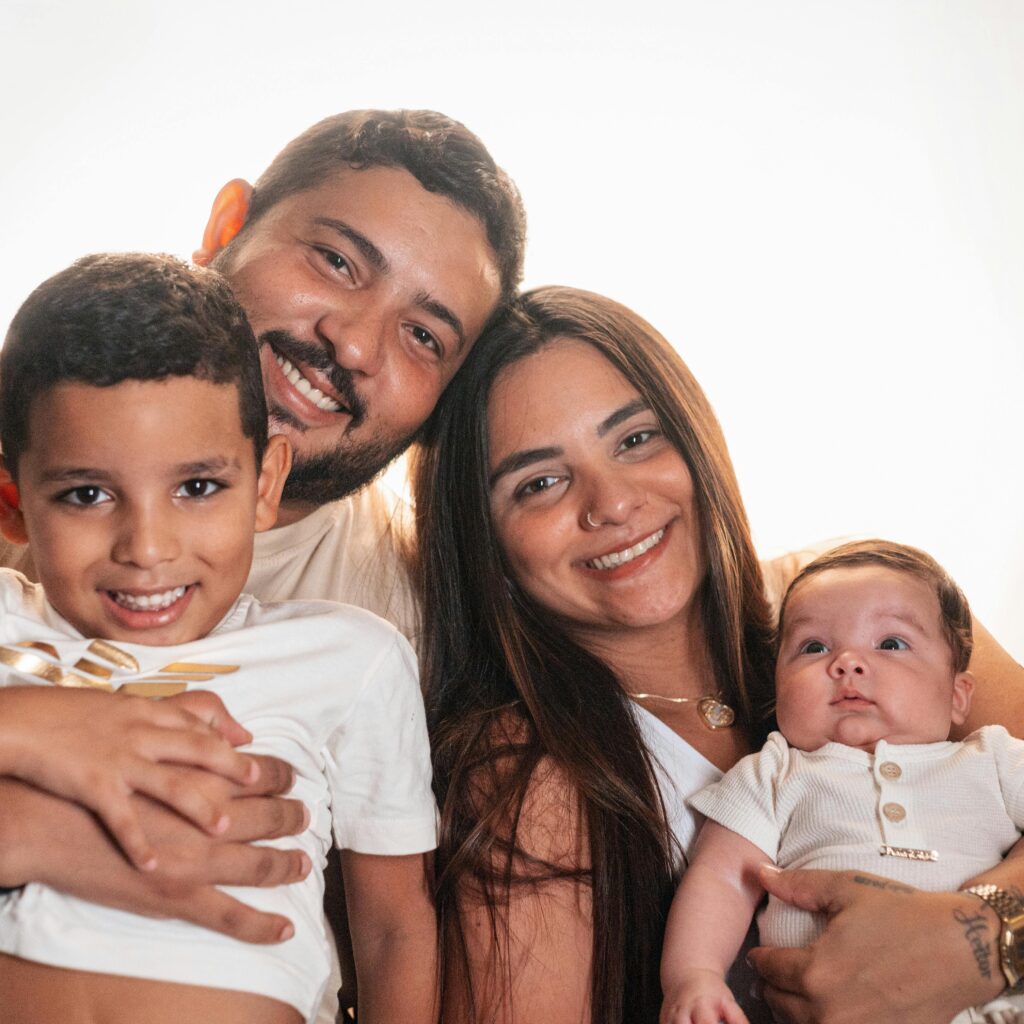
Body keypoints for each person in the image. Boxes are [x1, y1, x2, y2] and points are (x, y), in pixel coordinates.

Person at [412, 287, 1024, 1024]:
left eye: (636, 439)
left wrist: (982, 938)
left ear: (695, 440)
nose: (610, 503)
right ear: (489, 549)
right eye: (539, 483)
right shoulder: (525, 774)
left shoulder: (872, 607)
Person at [0, 108, 527, 949]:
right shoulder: (32, 434)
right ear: (226, 226)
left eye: (423, 335)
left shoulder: (418, 631)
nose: (353, 344)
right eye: (335, 260)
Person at [0, 253, 438, 1024]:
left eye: (198, 488)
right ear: (14, 498)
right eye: (86, 494)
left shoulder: (348, 659)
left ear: (265, 484)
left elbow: (395, 927)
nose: (146, 546)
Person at [660, 540, 1024, 1024]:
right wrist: (694, 975)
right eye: (814, 647)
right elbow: (723, 876)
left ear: (958, 695)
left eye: (891, 644)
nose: (847, 663)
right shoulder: (773, 773)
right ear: (778, 689)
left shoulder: (993, 758)